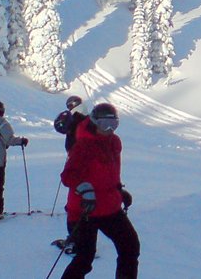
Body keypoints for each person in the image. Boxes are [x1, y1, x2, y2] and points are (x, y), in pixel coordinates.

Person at [60, 102, 139, 279]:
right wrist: (85, 189)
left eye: (114, 124)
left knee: (130, 247)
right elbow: (68, 176)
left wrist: (119, 190)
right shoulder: (83, 145)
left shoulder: (114, 142)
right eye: (105, 124)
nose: (109, 129)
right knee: (84, 258)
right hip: (84, 210)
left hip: (109, 207)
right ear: (95, 122)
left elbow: (110, 172)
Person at [52, 95, 89, 253]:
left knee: (74, 205)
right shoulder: (88, 118)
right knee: (84, 202)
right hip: (89, 165)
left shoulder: (74, 119)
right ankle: (85, 240)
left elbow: (65, 132)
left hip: (77, 164)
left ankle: (76, 241)